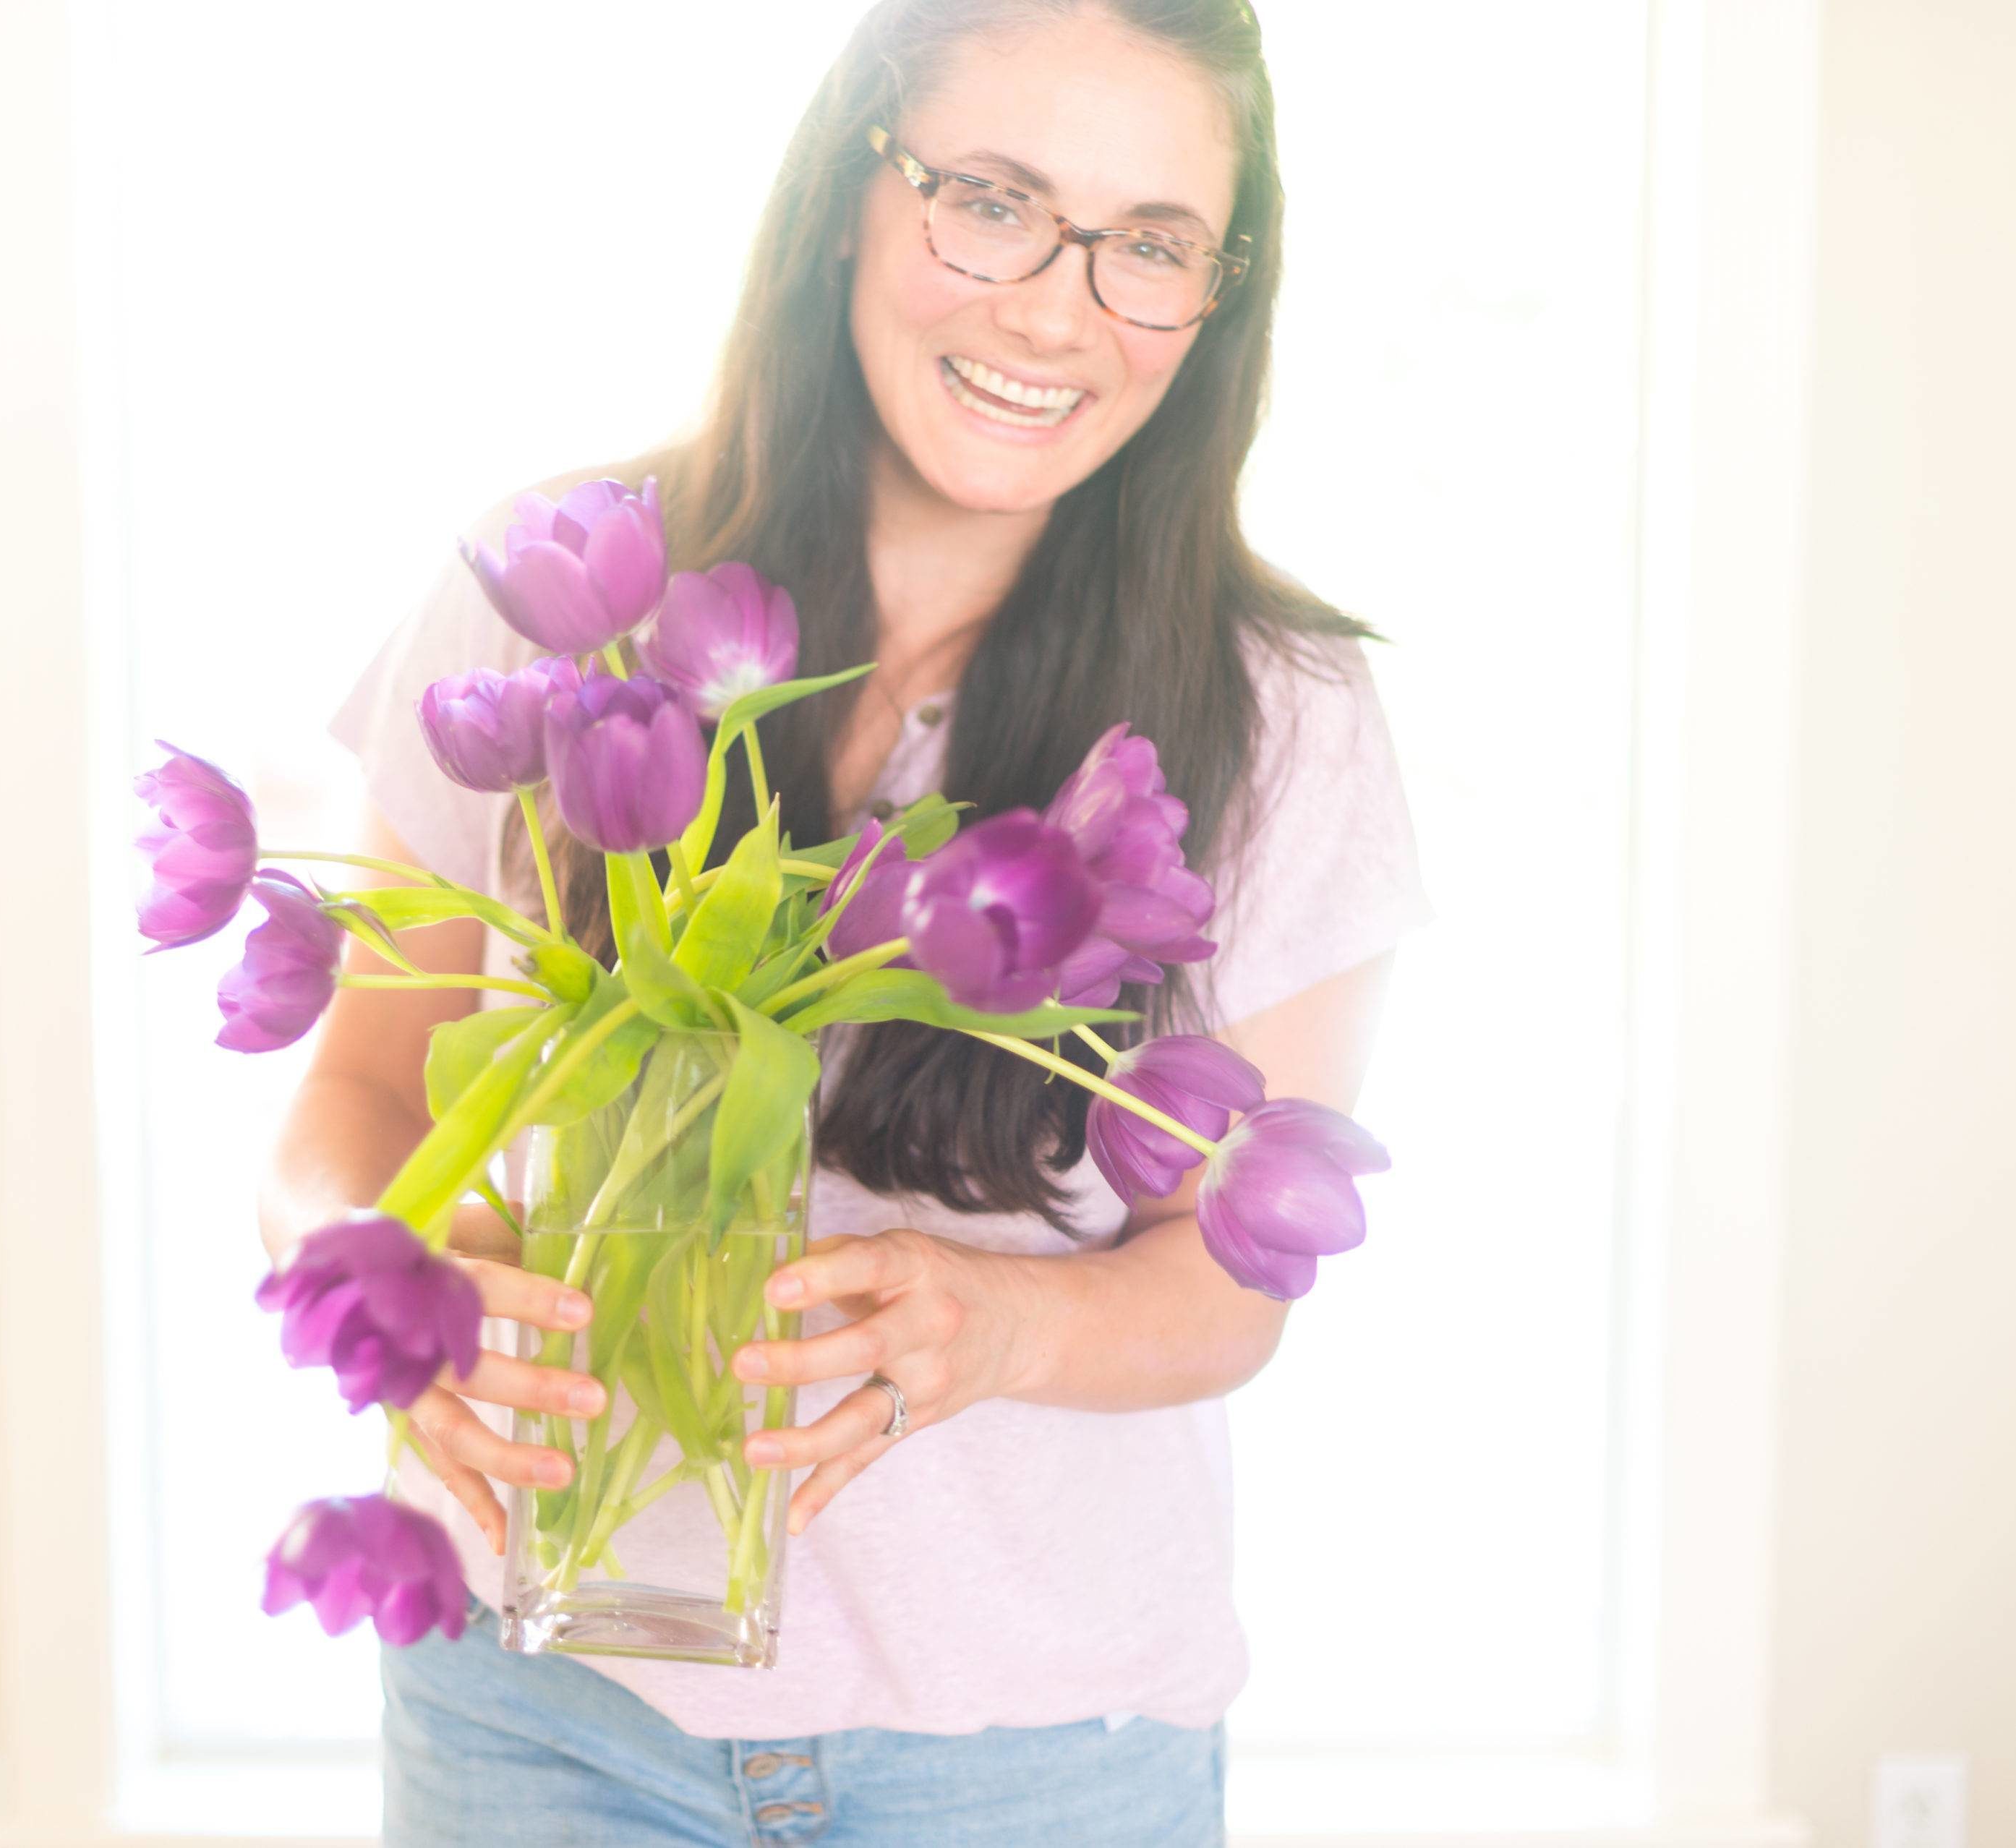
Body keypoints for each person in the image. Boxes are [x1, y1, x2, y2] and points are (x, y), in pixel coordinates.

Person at [268, 2, 1429, 1840]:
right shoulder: (560, 587)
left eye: (1150, 245)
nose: (1055, 308)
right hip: (541, 1703)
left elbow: (1231, 1275)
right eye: (989, 198)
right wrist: (408, 1300)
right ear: (845, 198)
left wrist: (1005, 1330)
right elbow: (351, 1109)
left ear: (1218, 297)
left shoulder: (1281, 709)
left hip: (1041, 1749)